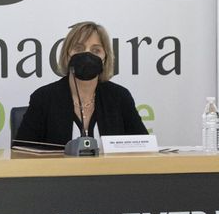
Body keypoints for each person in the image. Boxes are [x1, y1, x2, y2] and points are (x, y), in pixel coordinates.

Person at [15, 21, 148, 146]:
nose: (87, 55)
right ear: (67, 56)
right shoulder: (44, 98)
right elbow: (21, 152)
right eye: (79, 48)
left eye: (96, 50)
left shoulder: (119, 97)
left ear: (105, 58)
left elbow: (144, 148)